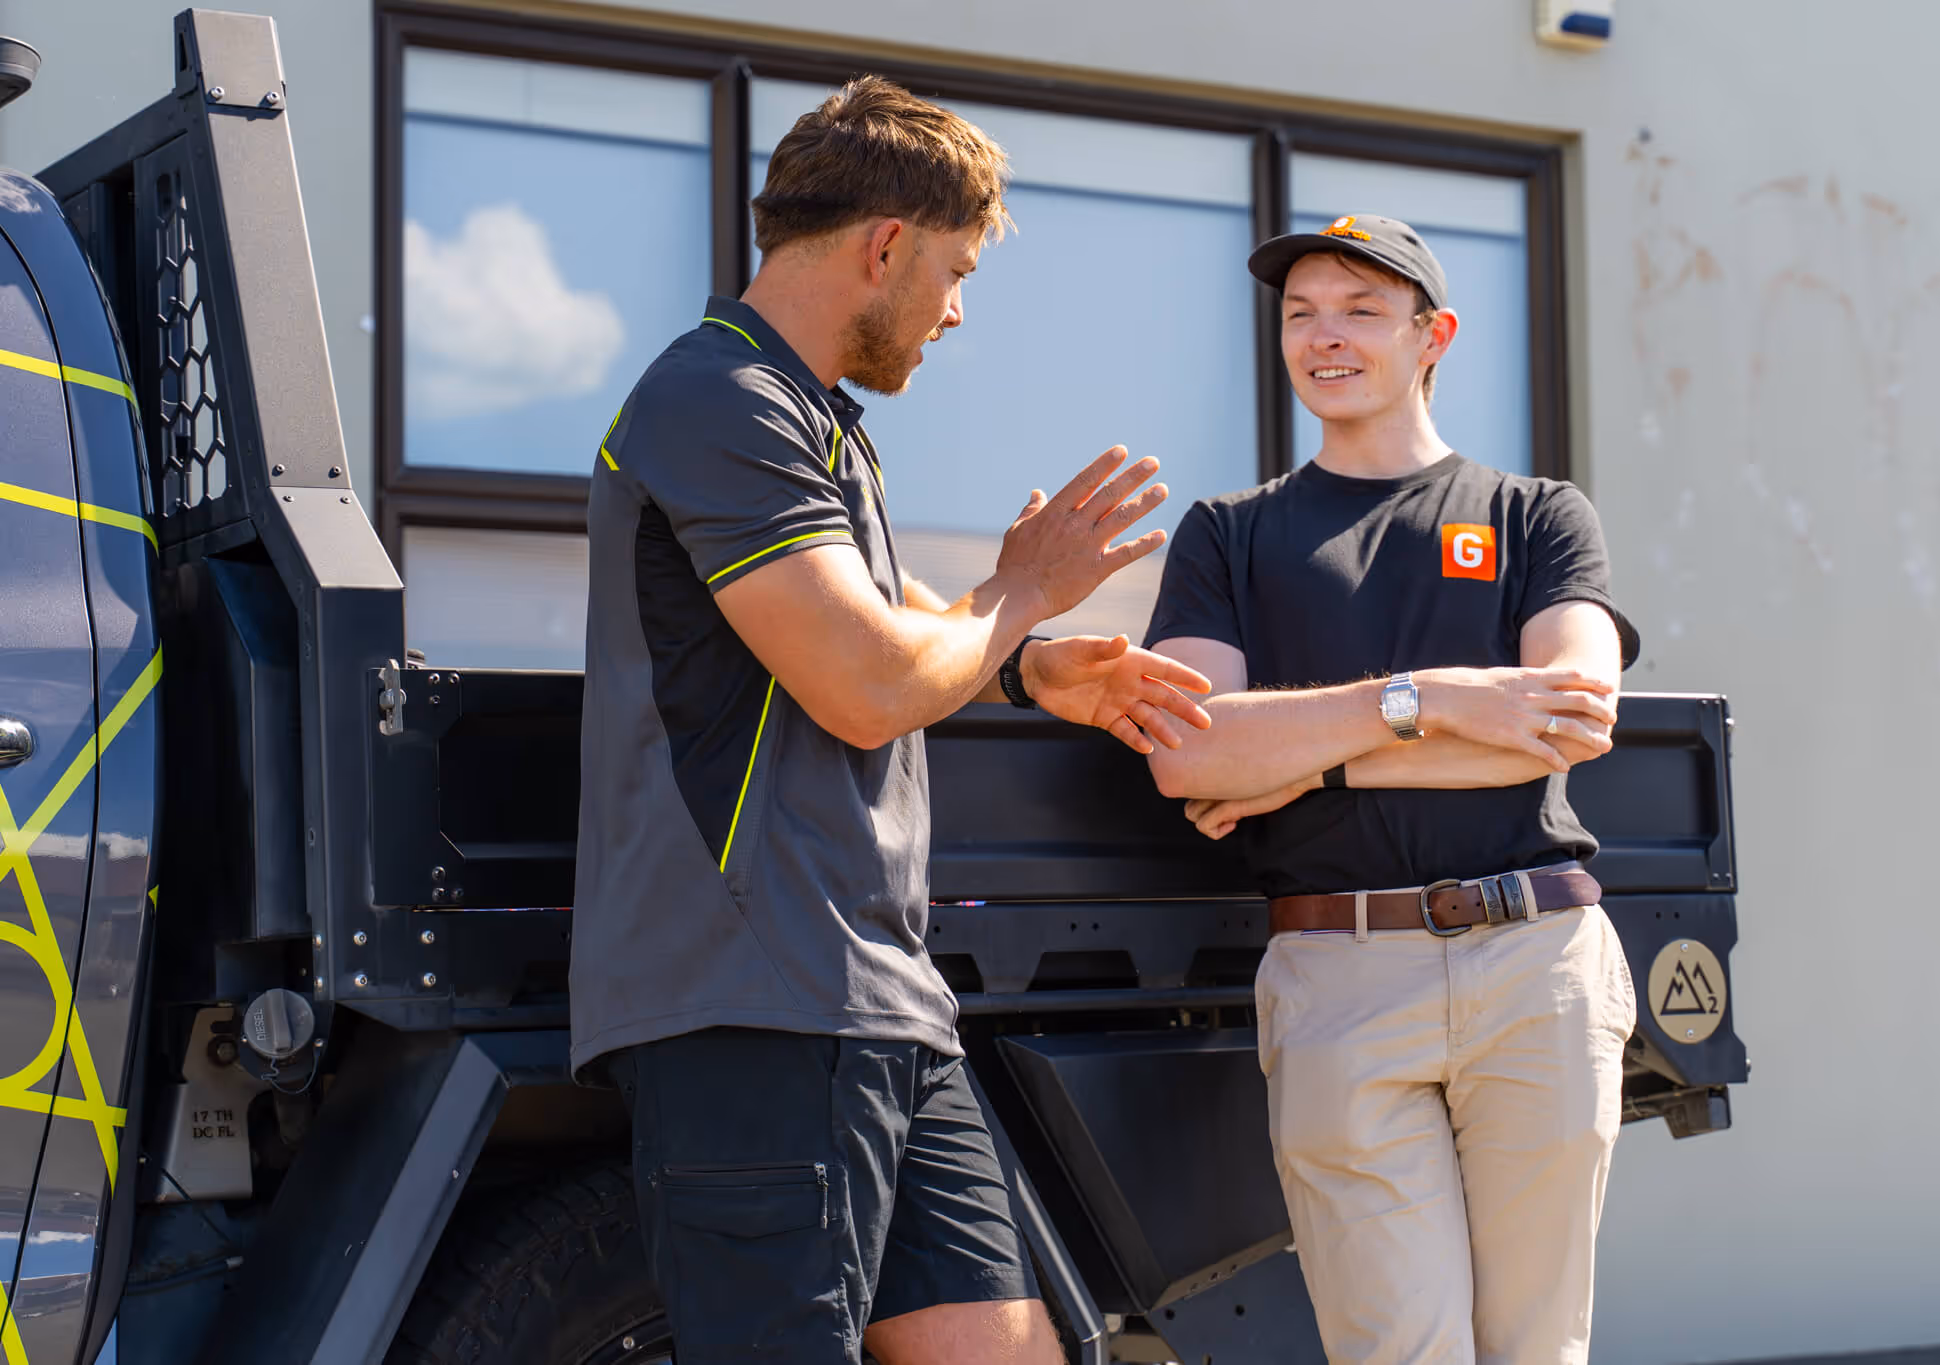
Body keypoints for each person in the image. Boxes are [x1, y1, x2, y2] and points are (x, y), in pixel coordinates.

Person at [569, 77, 1212, 1365]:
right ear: (883, 246)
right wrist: (1021, 592)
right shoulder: (716, 399)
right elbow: (864, 682)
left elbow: (906, 627)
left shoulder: (810, 423)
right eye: (954, 271)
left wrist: (1027, 668)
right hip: (756, 995)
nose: (954, 310)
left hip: (872, 999)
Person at [1141, 214, 1643, 1365]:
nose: (1324, 336)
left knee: (1535, 1350)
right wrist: (1434, 700)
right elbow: (1189, 756)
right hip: (1337, 975)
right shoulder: (1227, 535)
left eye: (1361, 311)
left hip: (1536, 964)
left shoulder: (1536, 516)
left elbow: (1572, 713)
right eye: (1298, 313)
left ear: (1434, 337)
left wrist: (1301, 758)